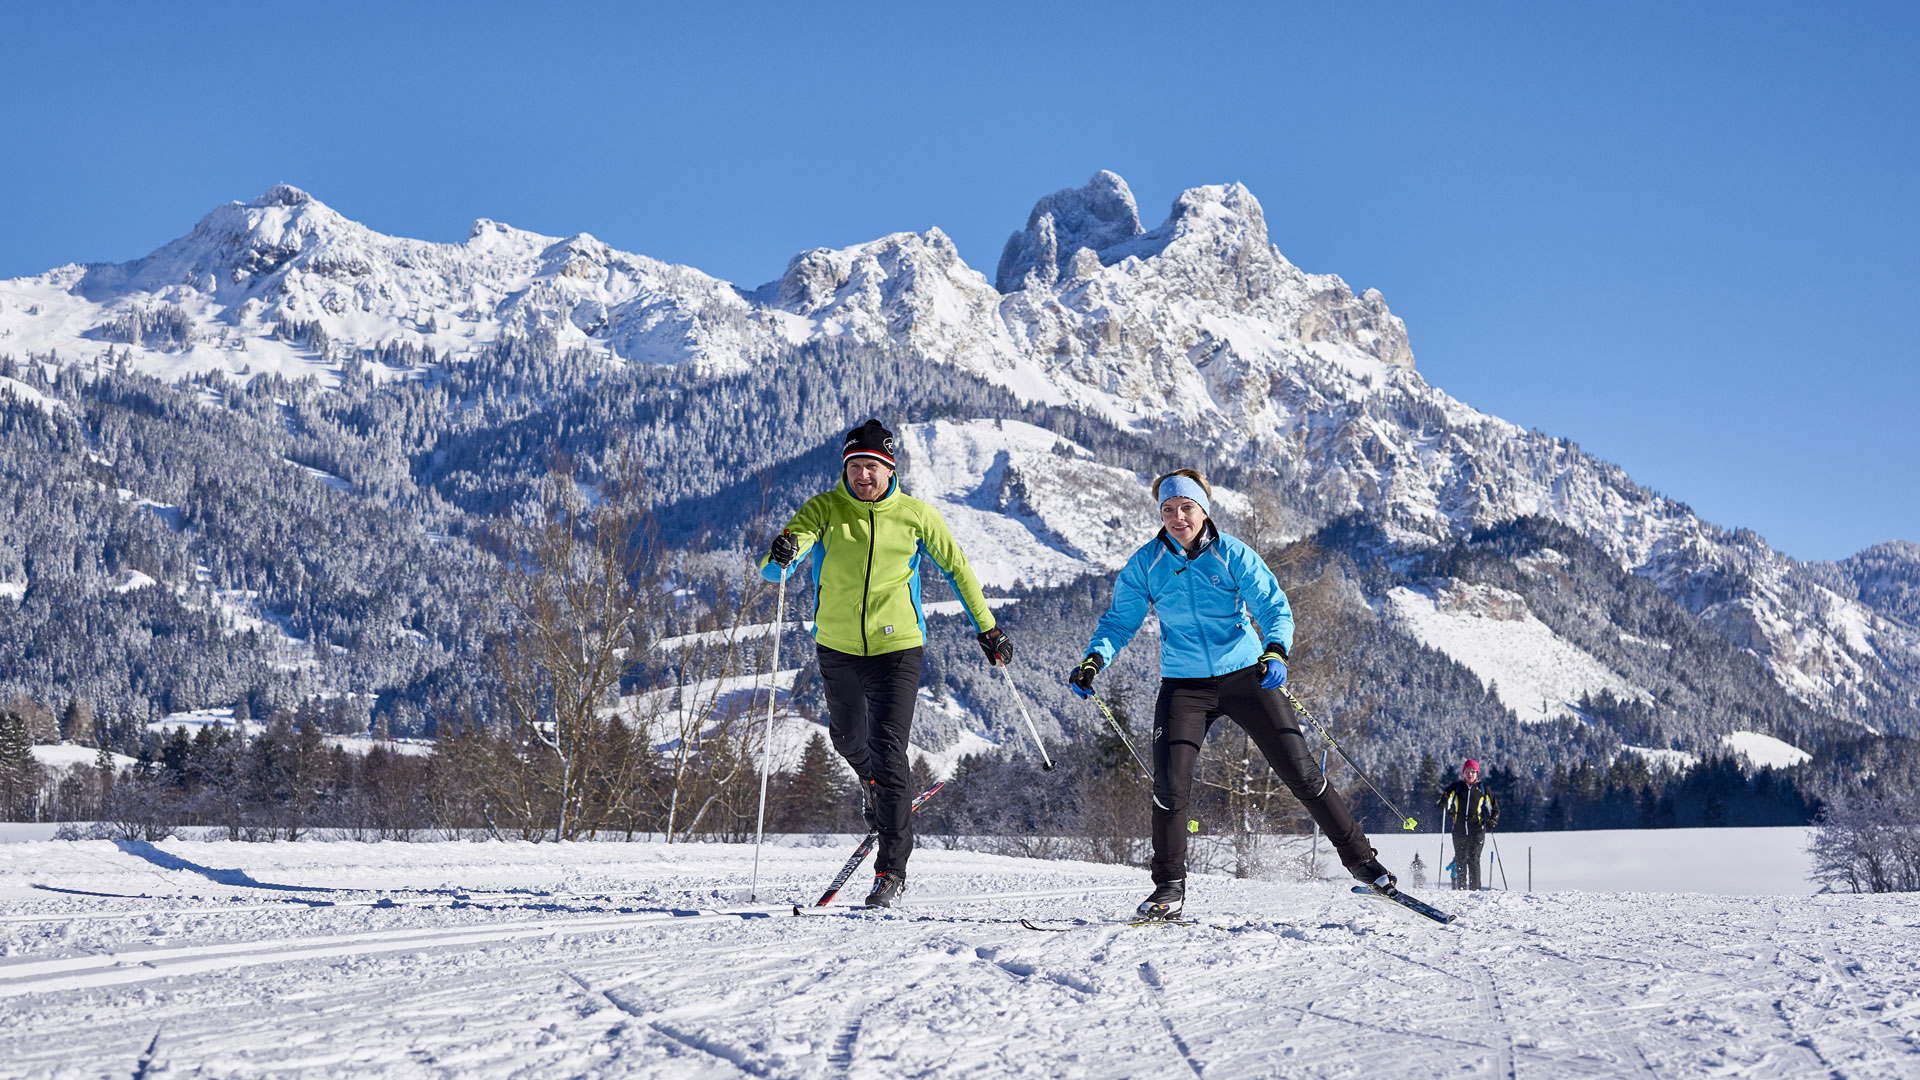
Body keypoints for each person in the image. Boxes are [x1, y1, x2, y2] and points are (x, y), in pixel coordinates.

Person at [1065, 468, 1394, 919]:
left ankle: (1365, 865)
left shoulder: (1232, 553)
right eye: (1168, 509)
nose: (1177, 516)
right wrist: (1093, 660)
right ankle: (1168, 889)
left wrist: (1276, 652)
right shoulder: (1147, 562)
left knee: (1300, 773)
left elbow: (1273, 606)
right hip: (1184, 685)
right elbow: (1120, 621)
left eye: (1186, 507)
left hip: (1245, 675)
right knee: (1169, 788)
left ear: (1203, 509)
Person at [761, 419, 1011, 908]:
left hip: (898, 649)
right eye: (855, 466)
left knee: (888, 750)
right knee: (847, 739)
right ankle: (873, 786)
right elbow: (776, 572)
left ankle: (890, 871)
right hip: (837, 646)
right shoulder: (824, 510)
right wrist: (782, 552)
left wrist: (988, 627)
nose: (863, 476)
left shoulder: (917, 516)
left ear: (889, 468)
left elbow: (957, 569)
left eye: (872, 466)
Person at [1442, 759, 1499, 890]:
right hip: (1459, 829)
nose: (1470, 774)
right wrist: (1445, 804)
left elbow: (1495, 808)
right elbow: (1446, 801)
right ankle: (1461, 889)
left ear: (1477, 773)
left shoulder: (1483, 789)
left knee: (1474, 859)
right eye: (1468, 771)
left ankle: (1475, 890)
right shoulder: (1456, 787)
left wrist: (1493, 819)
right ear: (1463, 772)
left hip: (1477, 829)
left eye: (1473, 771)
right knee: (1460, 859)